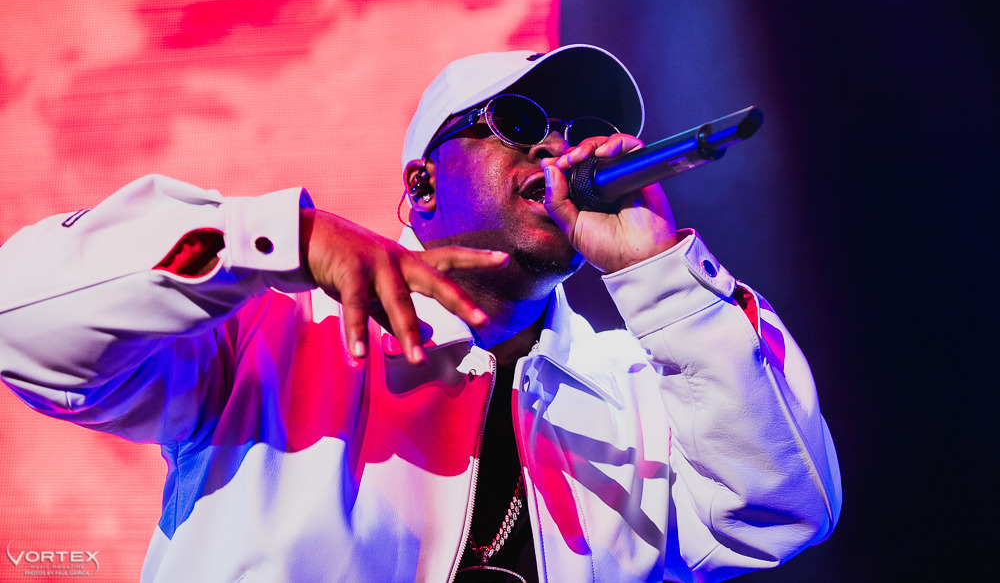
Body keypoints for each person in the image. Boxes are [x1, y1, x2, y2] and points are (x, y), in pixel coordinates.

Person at [0, 44, 841, 582]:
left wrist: (662, 276)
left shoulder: (639, 388)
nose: (558, 150)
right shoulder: (274, 335)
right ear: (422, 186)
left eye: (582, 131)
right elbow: (23, 321)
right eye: (517, 123)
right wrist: (281, 238)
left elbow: (779, 509)